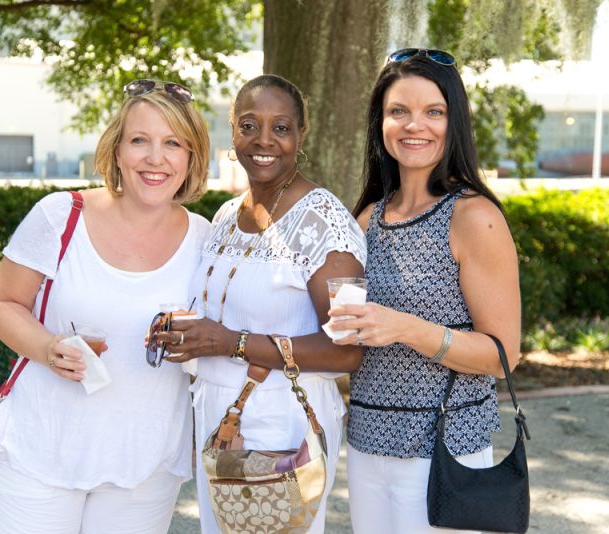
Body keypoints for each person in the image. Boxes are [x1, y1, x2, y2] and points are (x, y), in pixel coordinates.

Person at [0, 79, 211, 534]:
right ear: (117, 149)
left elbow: (215, 338)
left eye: (172, 144)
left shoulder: (206, 238)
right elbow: (1, 302)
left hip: (145, 466)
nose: (155, 158)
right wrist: (49, 347)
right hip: (43, 449)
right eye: (139, 140)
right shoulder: (59, 215)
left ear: (191, 157)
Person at [157, 74, 367, 533]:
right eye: (249, 125)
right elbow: (226, 312)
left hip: (283, 421)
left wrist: (232, 342)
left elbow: (348, 349)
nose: (264, 140)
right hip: (218, 419)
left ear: (301, 134)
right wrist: (186, 329)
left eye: (281, 127)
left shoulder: (325, 222)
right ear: (232, 130)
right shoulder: (228, 215)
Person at [329, 48, 522, 533]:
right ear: (381, 123)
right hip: (368, 445)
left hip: (443, 451)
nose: (415, 125)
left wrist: (406, 328)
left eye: (433, 111)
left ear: (454, 121)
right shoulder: (368, 218)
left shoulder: (473, 217)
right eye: (399, 111)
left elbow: (503, 355)